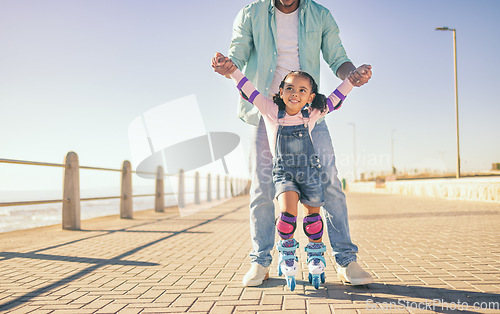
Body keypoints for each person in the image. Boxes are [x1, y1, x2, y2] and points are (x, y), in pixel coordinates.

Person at [213, 0, 374, 287]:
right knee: (262, 188)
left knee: (331, 183)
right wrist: (228, 66)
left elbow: (338, 59)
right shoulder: (252, 14)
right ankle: (261, 261)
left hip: (309, 119)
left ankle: (345, 260)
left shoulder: (320, 15)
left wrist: (353, 75)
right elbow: (236, 56)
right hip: (267, 115)